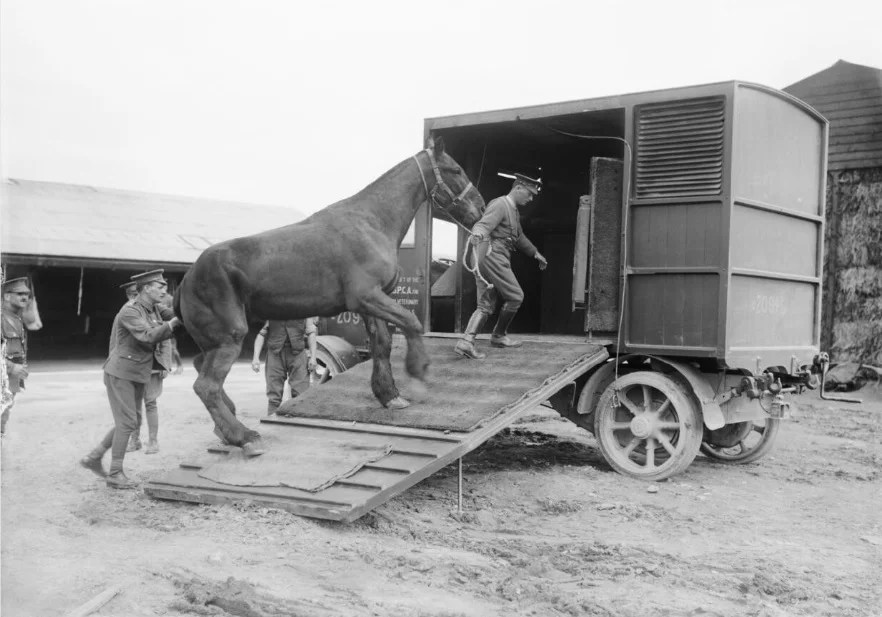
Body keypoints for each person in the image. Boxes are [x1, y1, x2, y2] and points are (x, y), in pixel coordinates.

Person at [80, 270, 181, 489]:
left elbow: (176, 313)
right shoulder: (130, 311)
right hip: (121, 373)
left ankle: (94, 457)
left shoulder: (153, 308)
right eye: (160, 286)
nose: (165, 290)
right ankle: (115, 474)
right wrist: (173, 324)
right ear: (146, 288)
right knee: (127, 422)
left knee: (129, 421)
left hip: (136, 373)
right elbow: (149, 335)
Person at [454, 173, 548, 359]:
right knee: (515, 296)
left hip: (490, 256)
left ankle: (466, 342)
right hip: (492, 255)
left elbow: (518, 237)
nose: (530, 199)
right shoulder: (500, 204)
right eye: (529, 194)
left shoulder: (513, 210)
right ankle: (498, 336)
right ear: (518, 187)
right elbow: (483, 225)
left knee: (486, 303)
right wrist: (478, 234)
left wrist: (535, 253)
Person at [123, 284, 177, 454]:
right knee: (133, 405)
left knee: (151, 403)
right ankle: (135, 440)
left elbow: (166, 338)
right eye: (131, 294)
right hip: (134, 364)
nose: (134, 296)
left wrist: (166, 363)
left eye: (135, 293)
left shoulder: (156, 309)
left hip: (154, 364)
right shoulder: (128, 311)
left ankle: (153, 442)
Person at [252, 318, 318, 415]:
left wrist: (313, 357)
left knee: (301, 394)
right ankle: (271, 423)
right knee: (274, 395)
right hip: (275, 354)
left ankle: (298, 424)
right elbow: (261, 334)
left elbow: (311, 334)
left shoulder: (304, 310)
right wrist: (255, 357)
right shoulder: (271, 309)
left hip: (298, 354)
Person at [1, 277, 33, 437]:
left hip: (9, 381)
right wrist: (12, 367)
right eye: (20, 293)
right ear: (7, 296)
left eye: (27, 294)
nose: (25, 297)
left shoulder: (16, 319)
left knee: (3, 421)